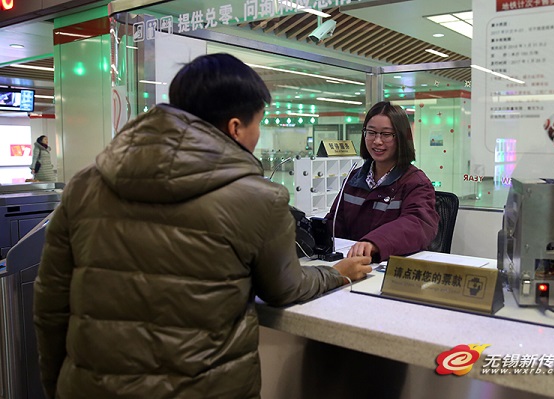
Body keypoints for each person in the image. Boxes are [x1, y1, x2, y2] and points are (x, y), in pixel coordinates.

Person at [33, 53, 372, 399]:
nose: (258, 135)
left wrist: (57, 387)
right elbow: (285, 289)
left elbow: (50, 304)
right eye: (258, 123)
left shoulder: (85, 184)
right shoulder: (259, 198)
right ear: (236, 128)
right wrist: (337, 273)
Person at [325, 101, 439, 262]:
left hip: (392, 268)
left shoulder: (415, 182)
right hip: (354, 263)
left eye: (386, 134)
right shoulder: (354, 178)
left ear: (401, 137)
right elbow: (336, 223)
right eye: (371, 132)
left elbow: (418, 224)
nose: (377, 141)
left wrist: (374, 243)